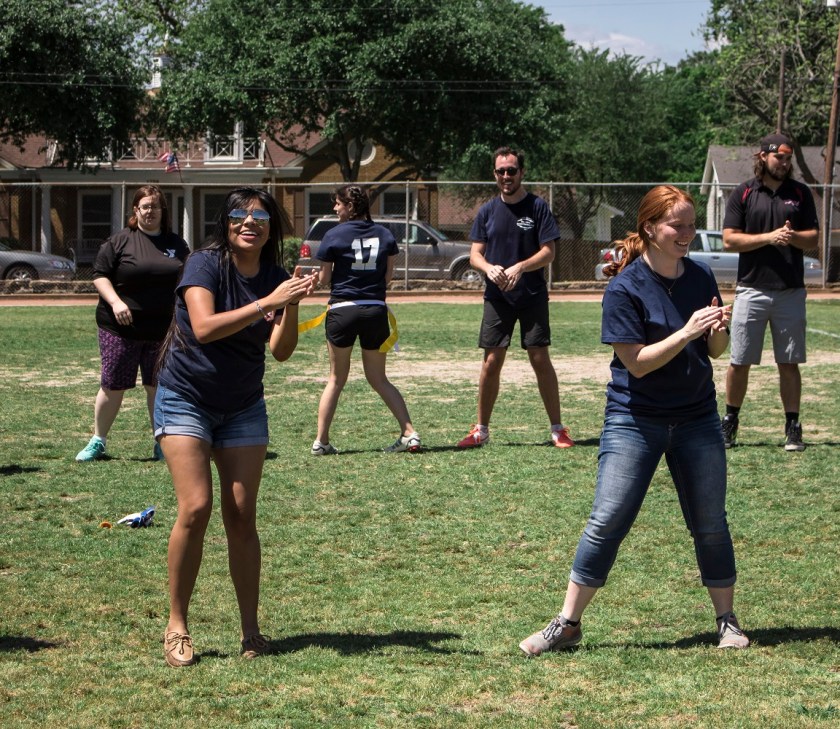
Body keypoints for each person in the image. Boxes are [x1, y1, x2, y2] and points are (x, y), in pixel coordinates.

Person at [519, 185, 749, 655]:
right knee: (607, 521)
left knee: (710, 523)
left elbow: (715, 352)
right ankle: (567, 624)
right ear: (650, 228)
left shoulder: (700, 276)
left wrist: (718, 330)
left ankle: (727, 621)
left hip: (697, 418)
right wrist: (687, 331)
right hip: (635, 419)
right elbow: (638, 362)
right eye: (677, 226)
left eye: (690, 225)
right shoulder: (624, 288)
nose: (687, 234)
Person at [155, 187, 317, 667]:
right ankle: (177, 624)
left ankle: (251, 631)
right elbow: (204, 327)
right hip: (186, 396)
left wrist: (290, 304)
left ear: (272, 227)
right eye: (240, 216)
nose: (251, 223)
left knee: (242, 514)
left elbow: (282, 350)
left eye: (261, 216)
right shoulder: (205, 264)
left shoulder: (274, 276)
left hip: (244, 403)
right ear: (225, 223)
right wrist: (269, 299)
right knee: (196, 506)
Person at [456, 146, 573, 450]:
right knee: (491, 361)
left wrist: (521, 266)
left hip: (532, 294)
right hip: (498, 298)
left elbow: (549, 252)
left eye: (511, 170)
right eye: (500, 171)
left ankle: (558, 429)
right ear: (494, 174)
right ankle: (481, 429)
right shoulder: (487, 211)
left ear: (522, 172)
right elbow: (474, 255)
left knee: (539, 358)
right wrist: (488, 269)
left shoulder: (537, 207)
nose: (506, 176)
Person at [720, 133, 819, 452]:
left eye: (789, 158)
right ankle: (730, 423)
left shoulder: (800, 193)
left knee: (789, 363)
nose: (785, 163)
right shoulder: (745, 192)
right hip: (751, 289)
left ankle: (793, 427)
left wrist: (791, 238)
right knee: (739, 360)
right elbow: (729, 240)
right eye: (780, 157)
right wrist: (769, 237)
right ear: (763, 157)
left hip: (790, 292)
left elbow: (813, 239)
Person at [75, 185, 189, 462]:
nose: (150, 211)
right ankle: (98, 441)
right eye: (145, 206)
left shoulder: (177, 245)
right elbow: (100, 275)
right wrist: (116, 302)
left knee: (158, 386)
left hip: (162, 329)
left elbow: (187, 279)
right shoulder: (119, 241)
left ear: (163, 211)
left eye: (155, 206)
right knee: (113, 384)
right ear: (135, 210)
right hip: (120, 328)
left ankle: (162, 443)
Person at [310, 184, 420, 455]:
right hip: (374, 311)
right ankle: (409, 432)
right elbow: (387, 277)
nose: (335, 208)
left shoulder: (333, 234)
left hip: (342, 310)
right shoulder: (384, 233)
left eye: (338, 203)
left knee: (336, 379)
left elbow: (324, 279)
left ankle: (321, 442)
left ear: (350, 206)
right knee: (379, 378)